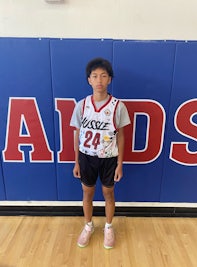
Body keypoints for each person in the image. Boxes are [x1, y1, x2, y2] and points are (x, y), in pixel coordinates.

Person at [70, 57, 130, 249]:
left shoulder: (118, 106)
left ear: (109, 79)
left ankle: (109, 227)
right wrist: (77, 161)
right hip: (87, 157)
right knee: (87, 193)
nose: (99, 80)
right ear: (89, 80)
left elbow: (121, 137)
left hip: (109, 158)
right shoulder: (81, 105)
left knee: (108, 193)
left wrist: (120, 164)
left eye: (103, 76)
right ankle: (88, 226)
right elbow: (76, 134)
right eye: (95, 76)